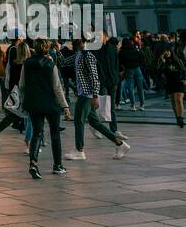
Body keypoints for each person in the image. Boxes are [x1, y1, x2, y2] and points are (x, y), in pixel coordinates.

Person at [63, 37, 131, 161]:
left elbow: (95, 77)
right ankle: (120, 144)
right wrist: (54, 52)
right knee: (95, 123)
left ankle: (79, 150)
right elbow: (64, 62)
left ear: (82, 43)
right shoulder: (78, 54)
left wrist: (95, 96)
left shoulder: (88, 56)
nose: (73, 45)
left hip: (87, 94)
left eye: (76, 43)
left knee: (79, 121)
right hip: (85, 93)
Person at [19, 40, 70, 178]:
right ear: (47, 49)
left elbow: (22, 85)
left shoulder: (27, 63)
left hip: (33, 103)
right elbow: (57, 88)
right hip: (50, 103)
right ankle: (58, 166)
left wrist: (24, 102)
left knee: (37, 133)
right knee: (55, 135)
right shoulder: (50, 64)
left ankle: (33, 164)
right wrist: (65, 106)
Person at [157, 46, 185, 127]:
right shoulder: (163, 62)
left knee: (179, 100)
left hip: (179, 82)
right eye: (165, 51)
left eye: (168, 51)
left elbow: (183, 70)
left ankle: (181, 118)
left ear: (171, 52)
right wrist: (162, 62)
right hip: (169, 83)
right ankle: (177, 117)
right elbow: (159, 72)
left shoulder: (178, 60)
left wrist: (184, 79)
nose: (167, 52)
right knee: (173, 102)